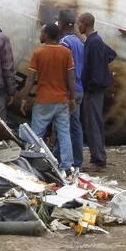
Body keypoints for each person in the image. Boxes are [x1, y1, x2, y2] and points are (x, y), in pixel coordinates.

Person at [18, 23, 76, 171]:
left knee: (36, 135)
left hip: (43, 101)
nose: (40, 34)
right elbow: (71, 77)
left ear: (47, 35)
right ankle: (67, 166)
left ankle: (33, 164)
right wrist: (72, 98)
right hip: (61, 100)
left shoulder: (38, 53)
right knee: (64, 134)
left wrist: (24, 98)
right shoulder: (66, 52)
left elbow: (30, 79)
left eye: (42, 32)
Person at [77, 12, 116, 173]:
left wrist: (91, 85)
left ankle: (98, 160)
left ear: (86, 24)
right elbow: (111, 54)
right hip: (95, 90)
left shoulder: (94, 43)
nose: (78, 26)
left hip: (93, 91)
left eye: (79, 23)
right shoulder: (94, 41)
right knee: (94, 123)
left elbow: (97, 71)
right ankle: (98, 157)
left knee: (93, 124)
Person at [57, 9, 85, 169]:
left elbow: (65, 69)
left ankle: (60, 160)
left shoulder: (65, 43)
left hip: (69, 90)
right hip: (79, 88)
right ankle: (78, 162)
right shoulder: (79, 43)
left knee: (62, 126)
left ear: (60, 24)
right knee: (76, 126)